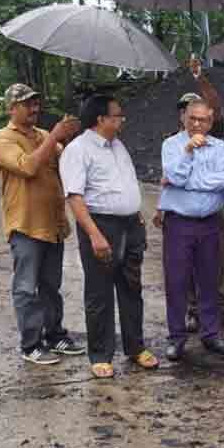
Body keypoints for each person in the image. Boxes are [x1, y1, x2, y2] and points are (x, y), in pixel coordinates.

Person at [60, 95, 159, 379]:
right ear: (100, 119)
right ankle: (101, 354)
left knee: (131, 288)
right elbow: (75, 198)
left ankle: (135, 347)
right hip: (101, 226)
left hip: (130, 226)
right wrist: (94, 235)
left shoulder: (118, 146)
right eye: (116, 115)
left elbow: (125, 183)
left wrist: (136, 212)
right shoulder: (78, 150)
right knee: (100, 293)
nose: (122, 119)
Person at [0, 83, 84, 365]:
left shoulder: (43, 135)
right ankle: (30, 344)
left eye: (36, 103)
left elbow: (64, 160)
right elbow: (28, 167)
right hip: (26, 225)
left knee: (50, 286)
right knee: (26, 288)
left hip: (52, 223)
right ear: (11, 109)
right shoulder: (2, 139)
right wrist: (55, 135)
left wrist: (68, 139)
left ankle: (55, 336)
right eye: (27, 104)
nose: (34, 108)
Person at [156, 93, 224, 361]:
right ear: (183, 118)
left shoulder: (220, 147)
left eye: (203, 120)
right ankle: (176, 337)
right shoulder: (171, 145)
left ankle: (211, 333)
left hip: (210, 222)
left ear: (211, 122)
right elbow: (174, 175)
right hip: (179, 223)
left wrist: (185, 182)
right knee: (176, 281)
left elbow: (221, 181)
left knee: (209, 280)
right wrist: (188, 151)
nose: (197, 125)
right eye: (193, 119)